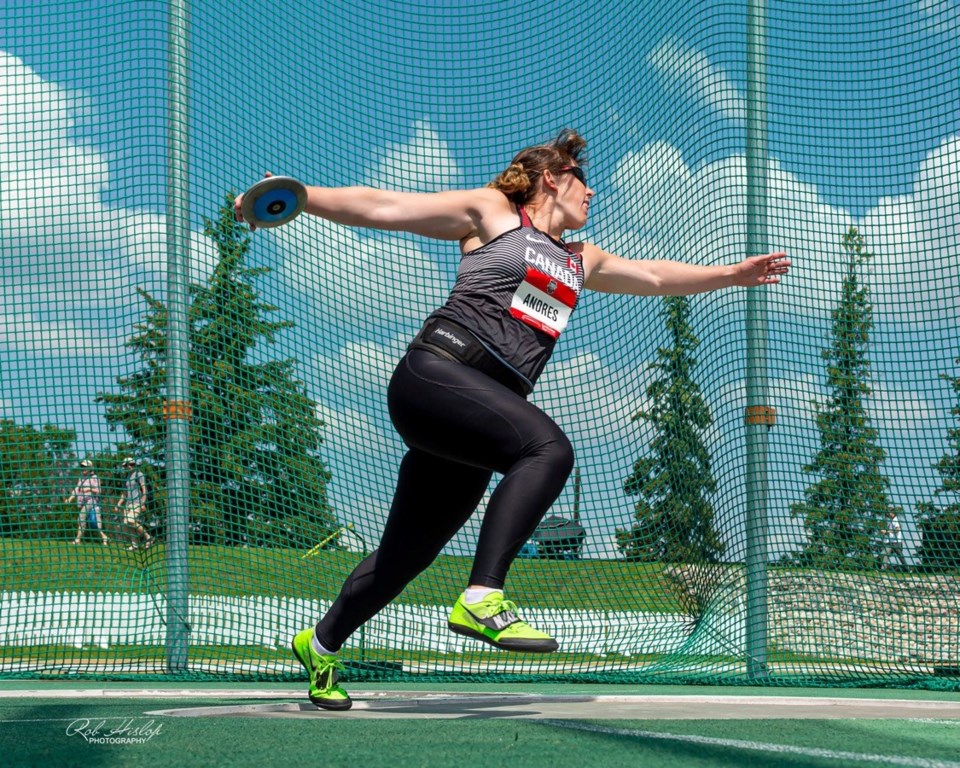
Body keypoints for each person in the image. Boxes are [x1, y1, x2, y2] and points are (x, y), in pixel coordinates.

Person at [235, 129, 790, 710]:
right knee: (548, 449)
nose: (592, 191)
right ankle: (483, 597)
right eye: (582, 178)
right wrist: (298, 195)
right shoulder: (493, 212)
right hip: (437, 376)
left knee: (407, 555)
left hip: (479, 417)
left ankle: (321, 644)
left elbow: (651, 277)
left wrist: (730, 275)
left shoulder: (582, 258)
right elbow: (383, 205)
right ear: (551, 177)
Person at [66, 459, 108, 546]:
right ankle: (104, 537)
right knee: (94, 523)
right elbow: (77, 490)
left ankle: (77, 541)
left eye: (85, 467)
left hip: (92, 501)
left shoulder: (94, 478)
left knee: (81, 518)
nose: (83, 468)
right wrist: (70, 499)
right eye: (82, 466)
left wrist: (89, 489)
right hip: (83, 502)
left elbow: (99, 490)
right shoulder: (81, 478)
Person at [115, 457, 154, 551]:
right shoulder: (126, 478)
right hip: (128, 504)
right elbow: (125, 493)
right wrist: (118, 504)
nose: (129, 466)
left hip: (137, 502)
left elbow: (144, 490)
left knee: (131, 521)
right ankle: (135, 545)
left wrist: (143, 503)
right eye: (126, 465)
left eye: (131, 464)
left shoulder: (139, 474)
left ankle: (148, 537)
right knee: (126, 525)